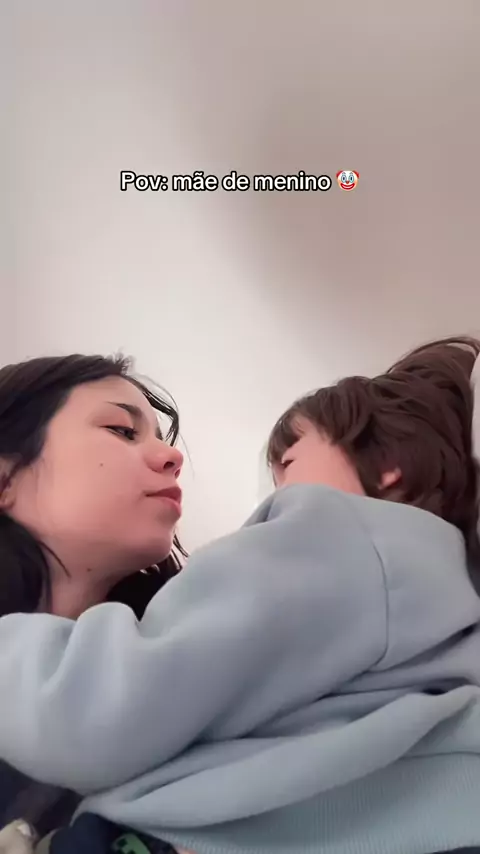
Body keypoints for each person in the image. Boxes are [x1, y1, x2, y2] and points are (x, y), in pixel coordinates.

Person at [2, 337, 480, 854]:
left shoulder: (327, 539)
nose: (172, 456)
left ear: (387, 464)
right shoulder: (435, 587)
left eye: (288, 465)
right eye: (121, 430)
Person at [0, 353, 187, 853]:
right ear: (5, 480)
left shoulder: (187, 682)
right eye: (123, 431)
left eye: (160, 438)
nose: (172, 456)